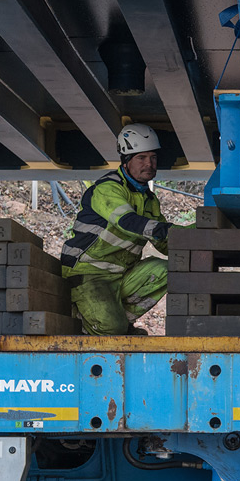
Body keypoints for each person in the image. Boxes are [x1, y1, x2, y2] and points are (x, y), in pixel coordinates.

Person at [59, 124, 176, 335]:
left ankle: (118, 324)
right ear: (126, 160)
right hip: (88, 274)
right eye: (141, 158)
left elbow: (165, 244)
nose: (149, 164)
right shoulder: (108, 188)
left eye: (153, 157)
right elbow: (127, 222)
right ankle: (90, 323)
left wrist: (199, 234)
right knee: (111, 327)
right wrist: (172, 230)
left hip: (120, 275)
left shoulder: (149, 200)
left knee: (168, 270)